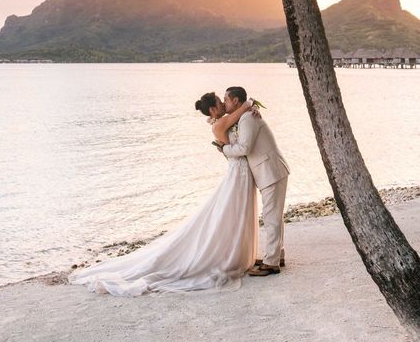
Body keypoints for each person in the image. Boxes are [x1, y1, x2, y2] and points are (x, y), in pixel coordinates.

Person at [69, 93, 258, 296]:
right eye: (220, 103)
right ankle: (228, 255)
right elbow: (241, 110)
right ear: (212, 110)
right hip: (237, 171)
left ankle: (235, 253)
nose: (223, 105)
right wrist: (250, 103)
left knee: (233, 212)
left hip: (238, 171)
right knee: (231, 212)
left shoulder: (222, 122)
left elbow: (239, 120)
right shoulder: (220, 124)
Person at [219, 86, 290, 277]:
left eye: (226, 99)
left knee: (271, 217)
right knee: (274, 216)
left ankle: (271, 263)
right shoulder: (245, 116)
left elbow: (245, 147)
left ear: (235, 101)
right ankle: (276, 256)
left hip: (271, 172)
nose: (224, 103)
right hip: (270, 171)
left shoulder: (248, 118)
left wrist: (224, 149)